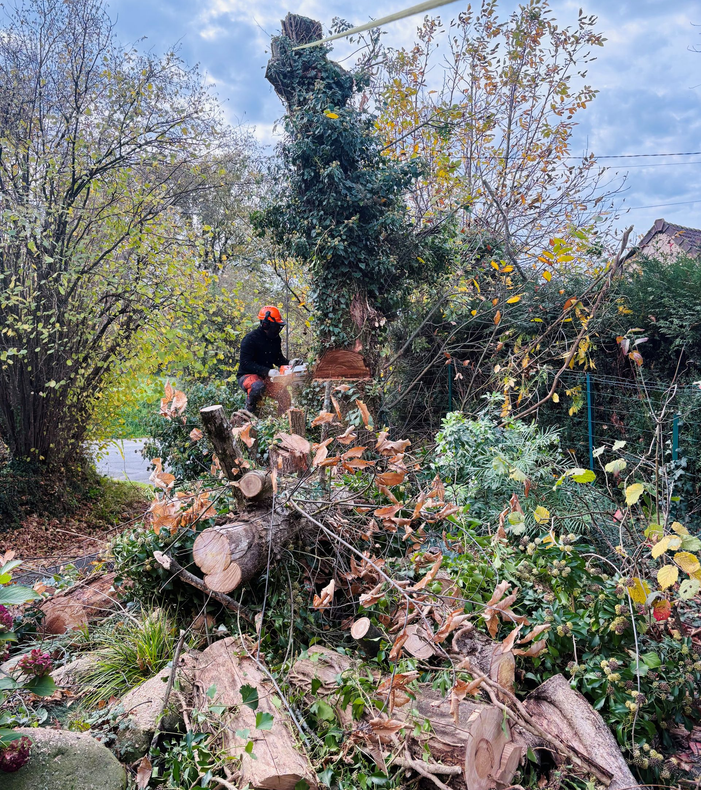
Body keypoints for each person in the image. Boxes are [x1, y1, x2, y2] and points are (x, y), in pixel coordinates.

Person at [237, 305, 292, 416]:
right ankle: (249, 414)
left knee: (284, 394)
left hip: (266, 377)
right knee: (258, 387)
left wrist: (290, 363)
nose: (278, 329)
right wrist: (267, 371)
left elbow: (278, 358)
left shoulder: (276, 339)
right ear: (266, 324)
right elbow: (245, 363)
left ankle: (283, 421)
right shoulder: (250, 339)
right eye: (276, 326)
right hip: (247, 376)